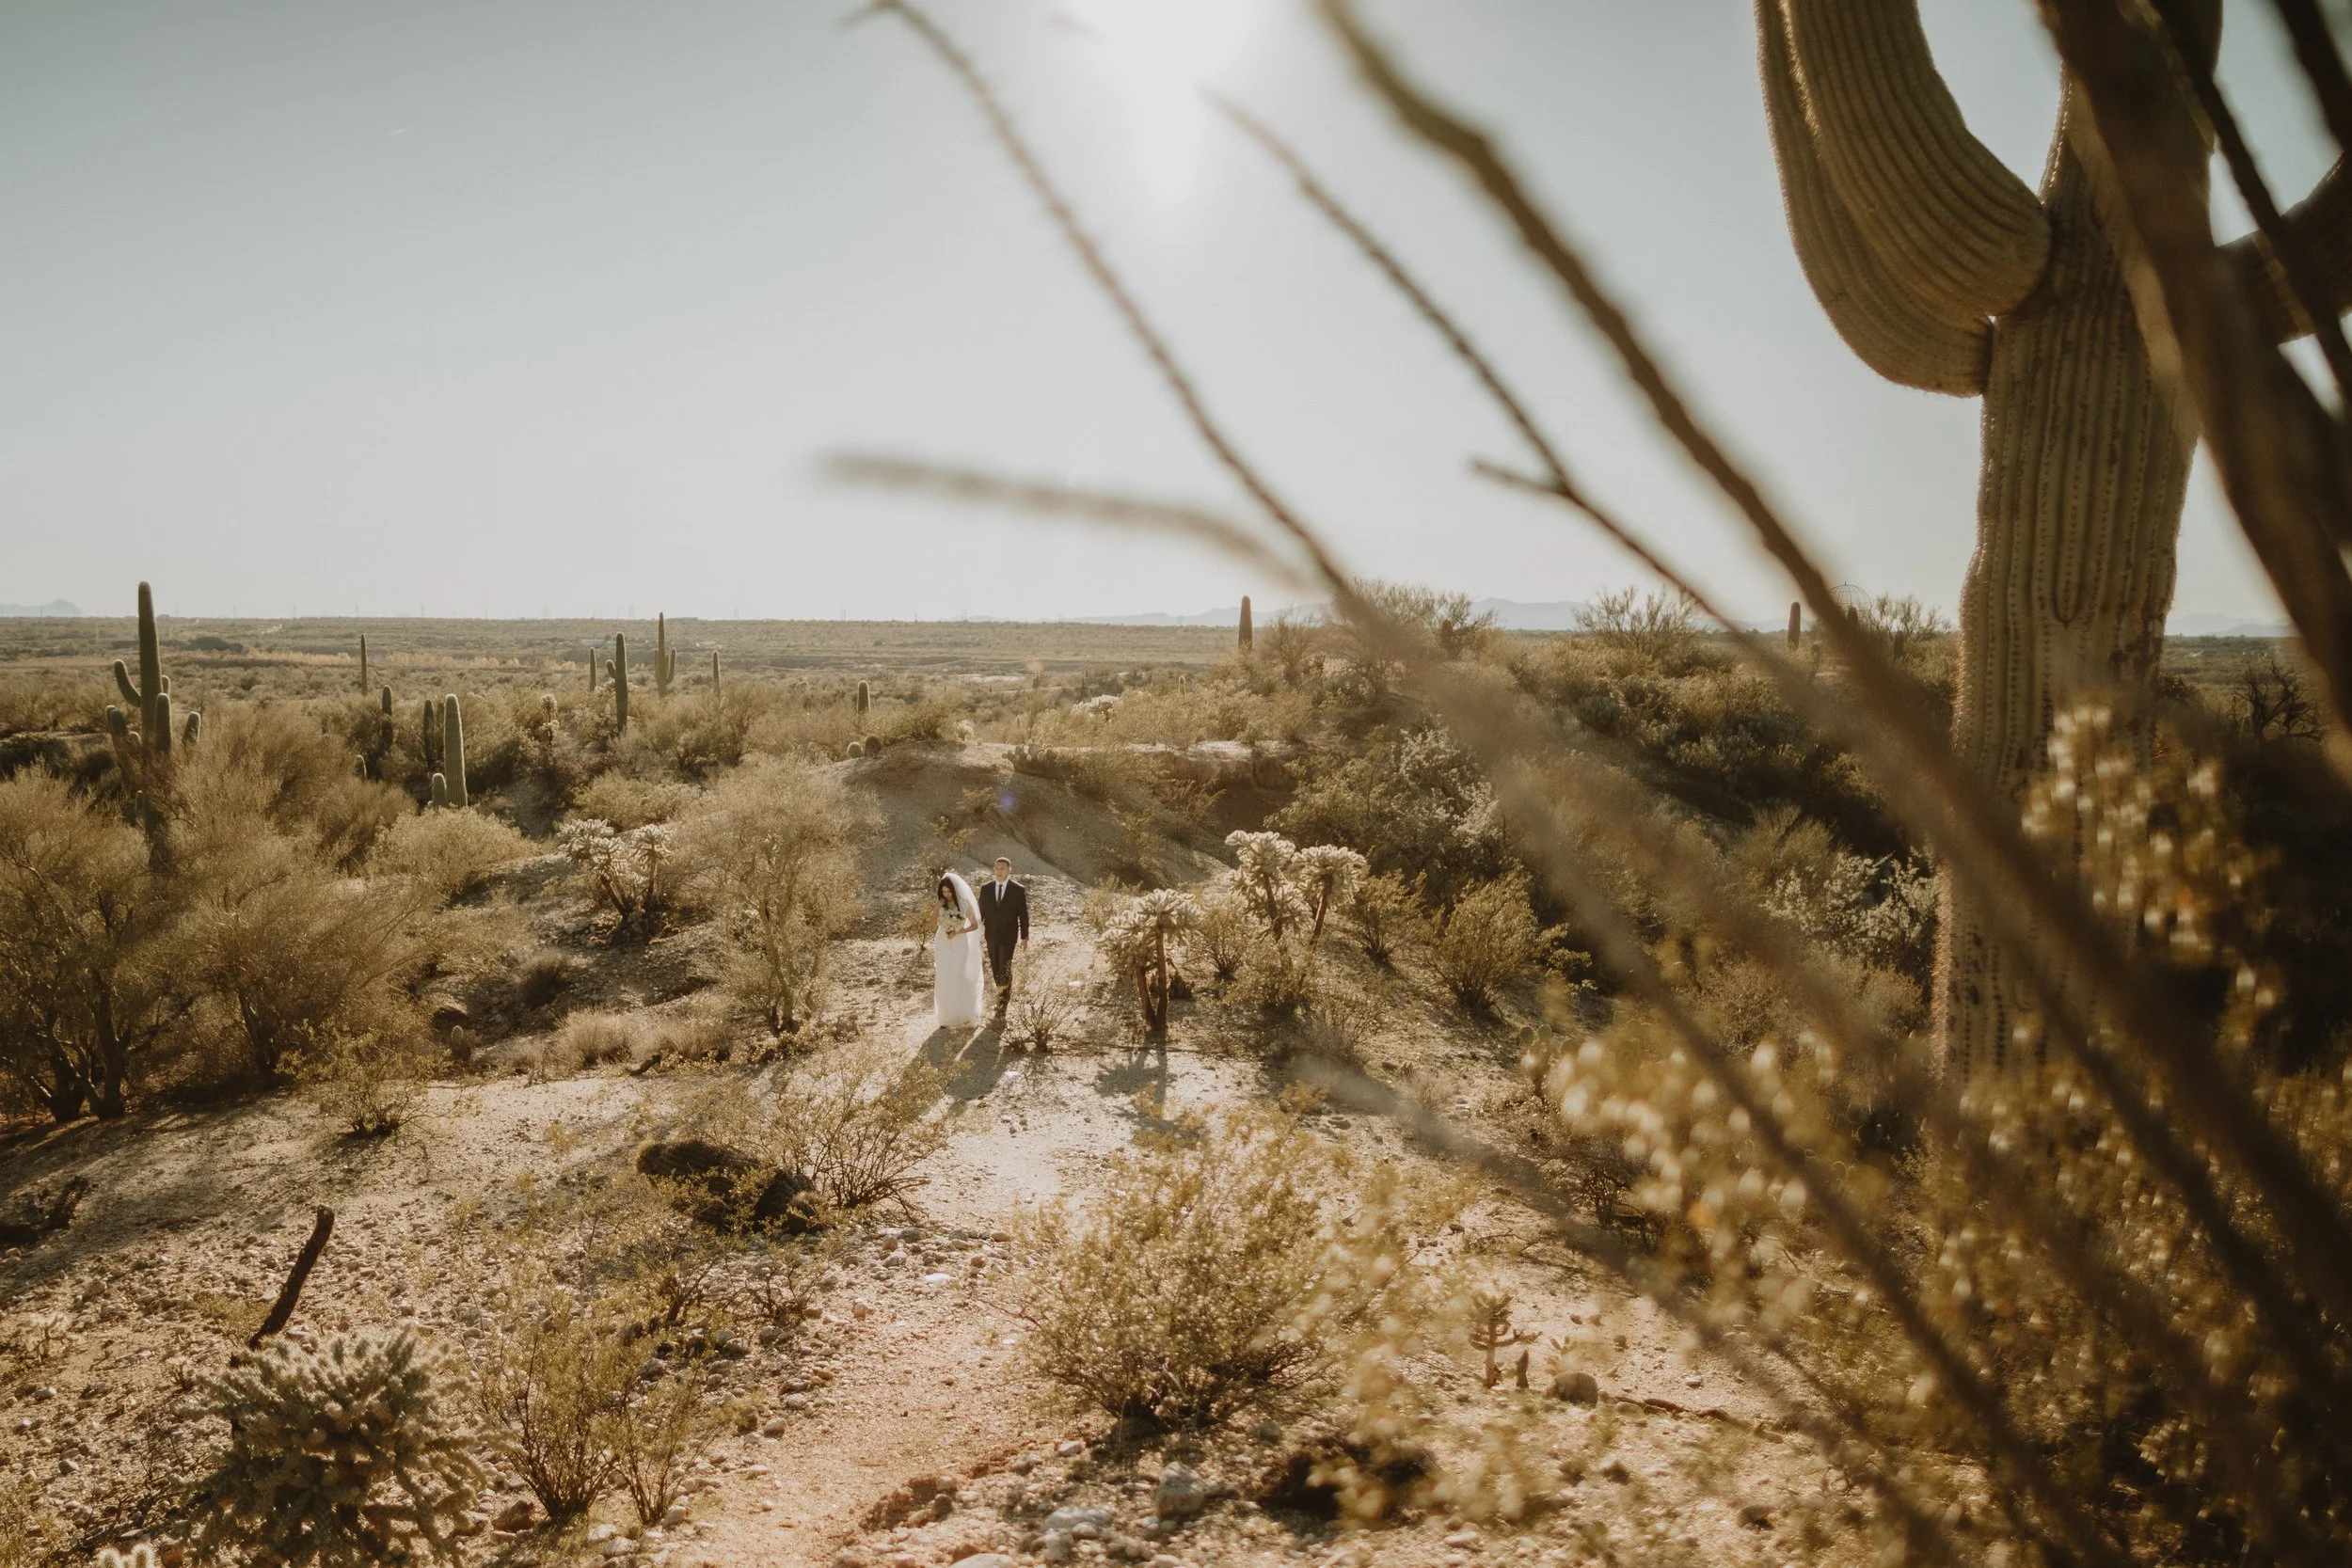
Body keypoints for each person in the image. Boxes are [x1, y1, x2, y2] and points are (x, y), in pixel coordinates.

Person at [931, 871, 987, 1027]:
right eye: (943, 891)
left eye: (949, 891)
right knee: (944, 976)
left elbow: (975, 924)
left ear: (955, 890)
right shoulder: (940, 903)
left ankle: (964, 1015)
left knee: (960, 975)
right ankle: (946, 1017)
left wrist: (958, 930)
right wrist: (936, 908)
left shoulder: (964, 904)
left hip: (961, 941)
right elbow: (931, 925)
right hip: (943, 941)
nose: (946, 894)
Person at [977, 856, 1029, 1013]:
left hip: (1008, 936)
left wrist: (1025, 936)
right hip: (991, 935)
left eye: (1003, 868)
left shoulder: (1018, 889)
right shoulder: (986, 888)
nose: (999, 871)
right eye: (997, 868)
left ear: (1009, 870)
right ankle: (1001, 994)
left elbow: (1023, 915)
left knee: (1005, 968)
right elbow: (981, 913)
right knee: (995, 968)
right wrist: (976, 933)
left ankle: (1003, 1003)